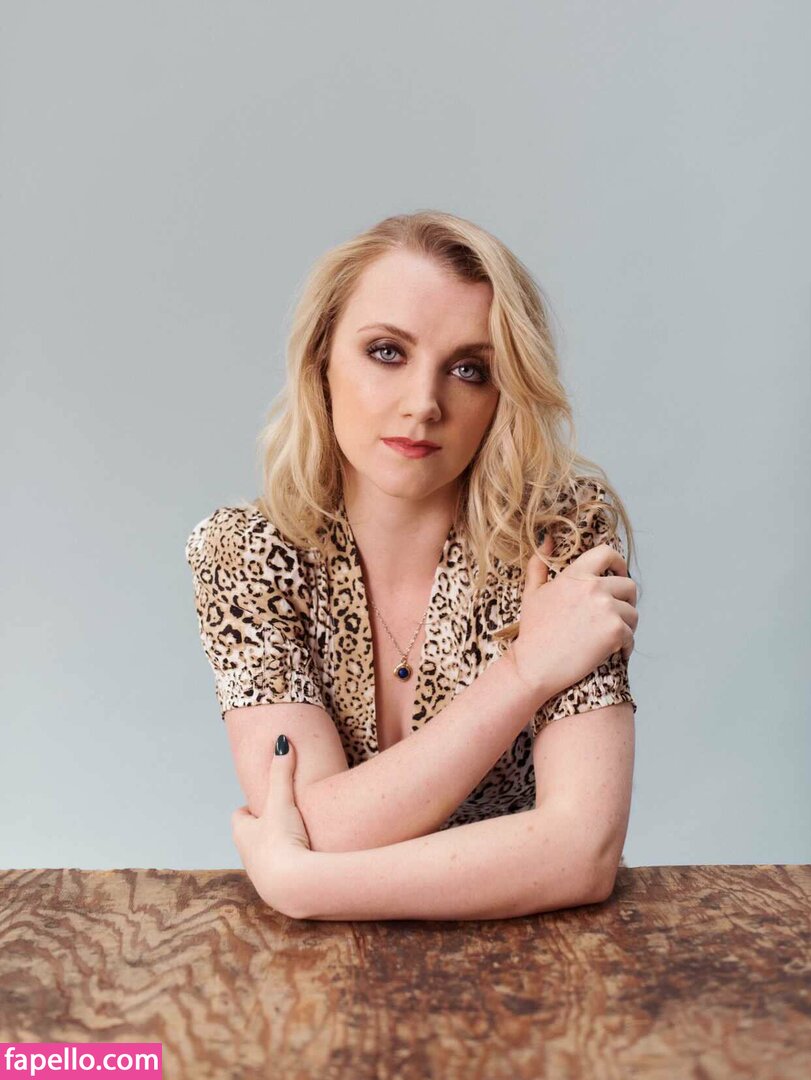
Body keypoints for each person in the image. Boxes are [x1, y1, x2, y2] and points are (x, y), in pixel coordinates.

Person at [185, 210, 640, 921]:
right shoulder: (246, 553)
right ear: (321, 360)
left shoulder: (557, 538)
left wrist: (305, 887)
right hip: (316, 977)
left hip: (529, 960)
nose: (424, 404)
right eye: (387, 352)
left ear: (503, 392)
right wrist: (525, 672)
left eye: (469, 369)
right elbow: (318, 827)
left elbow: (582, 851)